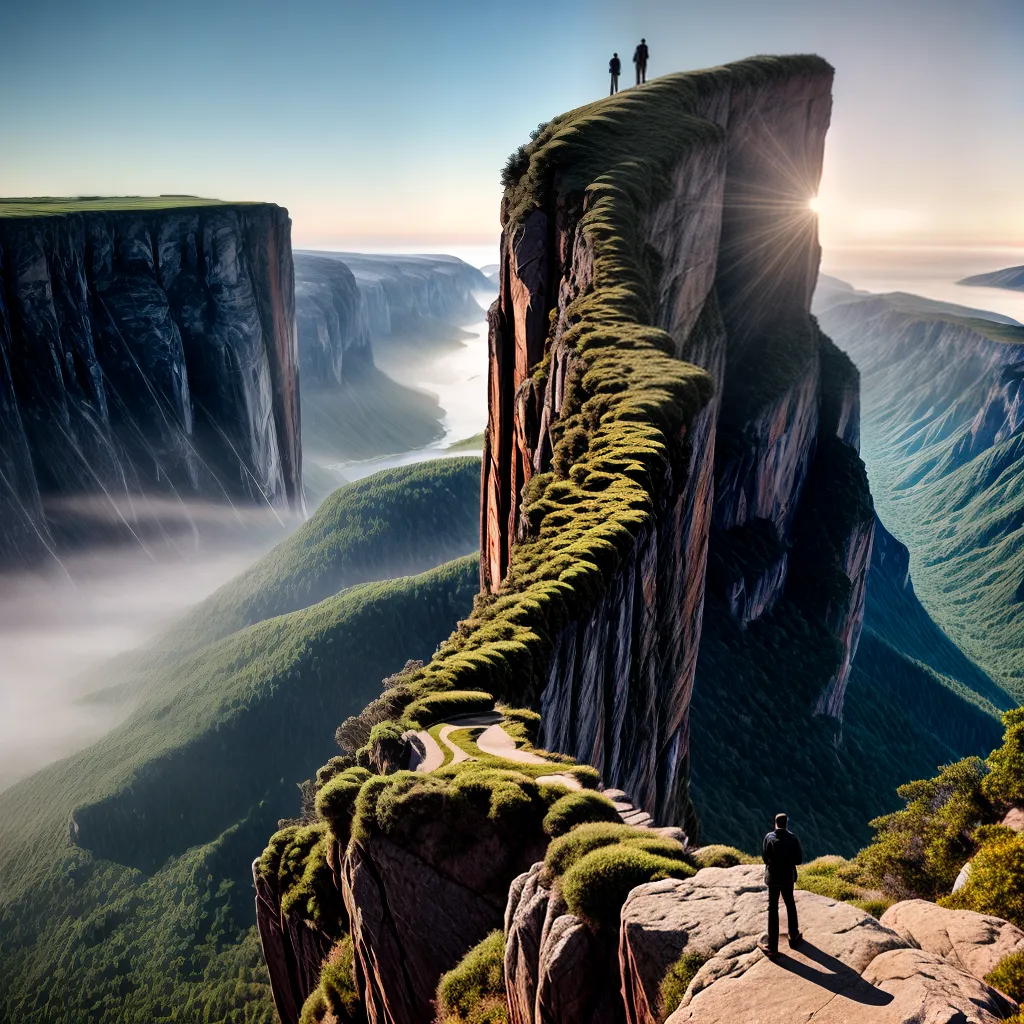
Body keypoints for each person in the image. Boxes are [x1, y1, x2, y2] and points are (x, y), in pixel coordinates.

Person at [760, 812, 803, 957]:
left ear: (775, 823)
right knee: (790, 904)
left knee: (773, 909)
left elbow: (765, 858)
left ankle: (773, 947)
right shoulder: (793, 838)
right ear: (786, 824)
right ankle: (794, 935)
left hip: (773, 878)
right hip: (787, 877)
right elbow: (799, 860)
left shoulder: (769, 838)